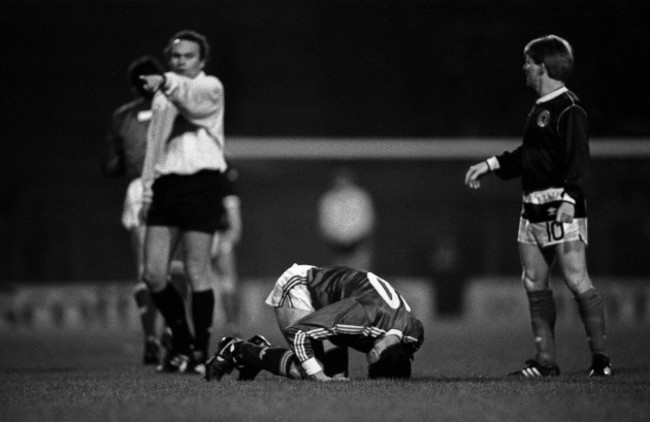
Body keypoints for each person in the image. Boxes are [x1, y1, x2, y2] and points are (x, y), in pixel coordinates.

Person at [464, 35, 612, 377]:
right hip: (530, 209)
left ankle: (601, 360)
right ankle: (545, 362)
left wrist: (570, 200)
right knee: (533, 280)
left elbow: (579, 159)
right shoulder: (541, 108)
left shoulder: (568, 108)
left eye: (528, 61)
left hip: (559, 206)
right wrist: (490, 165)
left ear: (542, 66)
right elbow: (528, 157)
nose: (524, 68)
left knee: (576, 279)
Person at [139, 30, 228, 374]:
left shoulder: (210, 87)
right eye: (176, 56)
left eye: (188, 56)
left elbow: (191, 102)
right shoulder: (163, 96)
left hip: (202, 184)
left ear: (201, 60)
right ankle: (182, 340)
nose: (180, 61)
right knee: (154, 274)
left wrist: (164, 80)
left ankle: (199, 353)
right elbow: (154, 144)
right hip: (166, 185)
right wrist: (147, 187)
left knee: (196, 271)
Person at [204, 264, 424, 382]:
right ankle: (236, 350)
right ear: (373, 355)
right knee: (308, 371)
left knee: (336, 379)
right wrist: (317, 375)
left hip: (336, 307)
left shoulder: (413, 334)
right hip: (300, 288)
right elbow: (298, 333)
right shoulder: (362, 316)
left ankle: (260, 351)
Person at [102, 55, 175, 365]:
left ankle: (151, 337)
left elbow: (110, 164)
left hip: (138, 189)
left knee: (146, 269)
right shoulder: (175, 109)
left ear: (133, 86)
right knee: (176, 267)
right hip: (173, 187)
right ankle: (174, 329)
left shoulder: (123, 116)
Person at [317, 168, 376, 270]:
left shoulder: (359, 196)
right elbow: (325, 222)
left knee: (359, 272)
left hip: (359, 242)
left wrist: (356, 238)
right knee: (340, 273)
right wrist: (337, 239)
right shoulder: (329, 198)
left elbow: (367, 219)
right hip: (336, 245)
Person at [209, 165, 243, 336]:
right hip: (205, 234)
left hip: (213, 235)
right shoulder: (223, 184)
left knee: (226, 281)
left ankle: (232, 325)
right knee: (226, 281)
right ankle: (232, 325)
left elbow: (235, 224)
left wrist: (228, 240)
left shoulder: (224, 186)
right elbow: (236, 223)